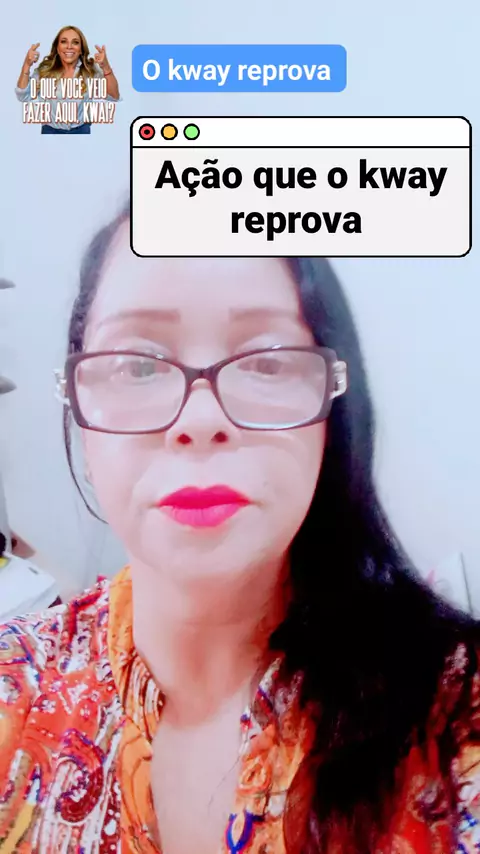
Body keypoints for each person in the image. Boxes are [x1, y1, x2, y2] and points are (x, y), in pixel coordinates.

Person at [0, 202, 479, 854]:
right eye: (139, 364)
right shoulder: (16, 687)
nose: (200, 419)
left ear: (333, 406)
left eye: (267, 360)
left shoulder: (455, 719)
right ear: (78, 405)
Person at [15, 26, 120, 134]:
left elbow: (114, 96)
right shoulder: (45, 70)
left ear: (81, 49)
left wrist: (106, 66)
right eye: (64, 42)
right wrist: (27, 64)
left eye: (75, 42)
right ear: (57, 47)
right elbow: (23, 95)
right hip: (50, 131)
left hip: (81, 130)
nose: (69, 46)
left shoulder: (90, 69)